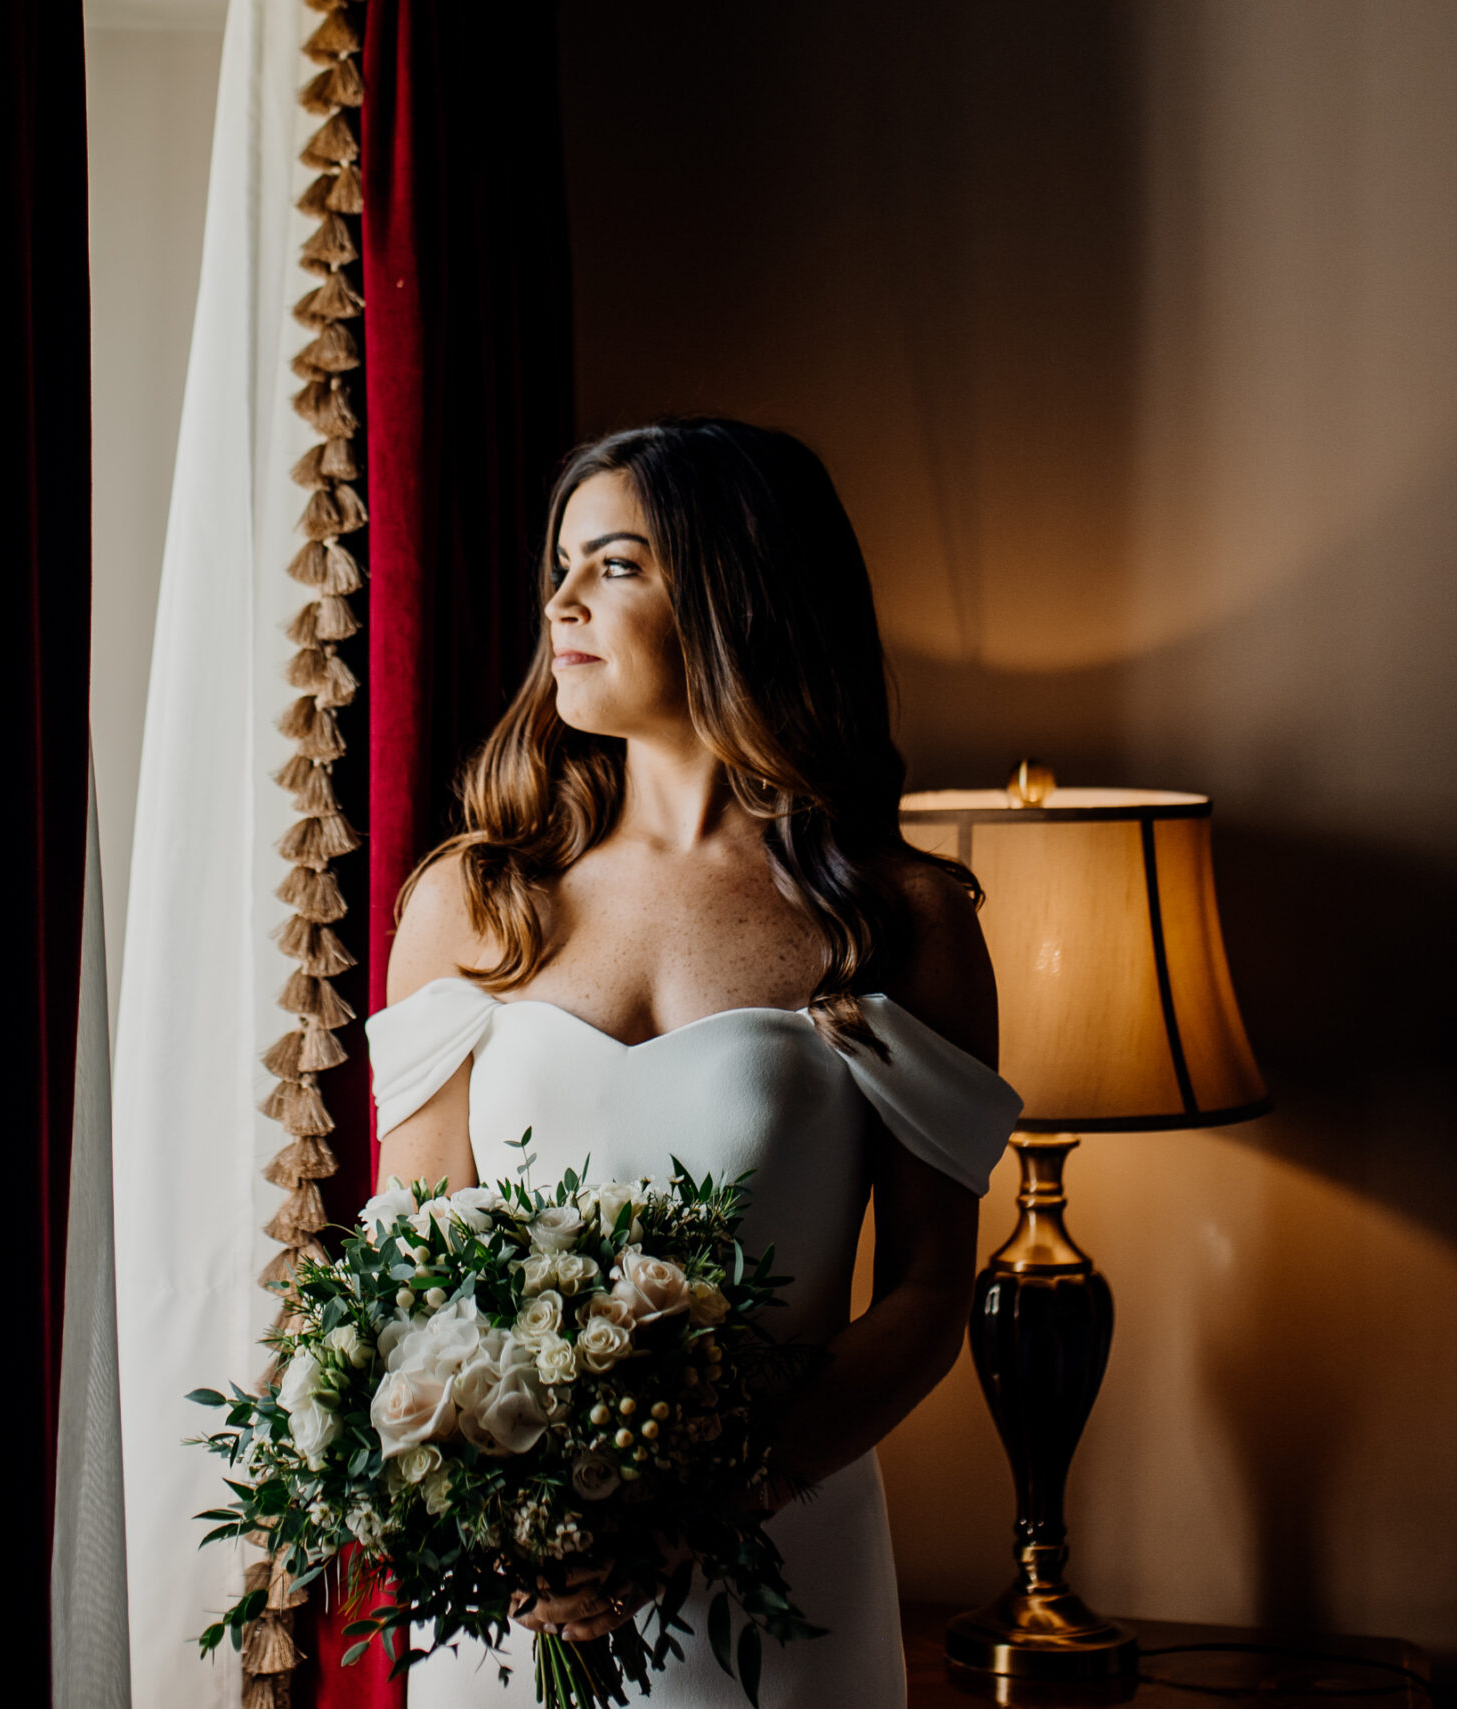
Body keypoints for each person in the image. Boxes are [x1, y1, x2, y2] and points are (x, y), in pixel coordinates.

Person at [370, 418, 1021, 1706]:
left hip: (780, 1566)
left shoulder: (899, 923)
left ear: (737, 597)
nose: (559, 602)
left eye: (615, 566)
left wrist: (714, 1501)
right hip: (518, 1593)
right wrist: (502, 1516)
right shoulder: (475, 901)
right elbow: (415, 1241)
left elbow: (931, 1294)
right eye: (561, 564)